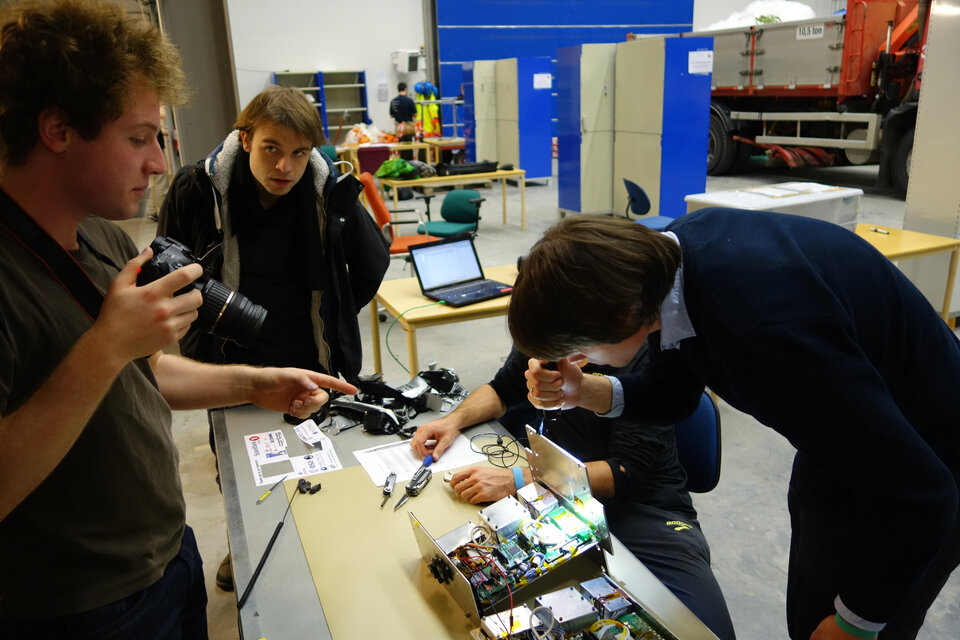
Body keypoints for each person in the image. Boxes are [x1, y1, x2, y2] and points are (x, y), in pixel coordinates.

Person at [0, 2, 356, 637]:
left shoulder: (104, 241)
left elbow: (147, 372)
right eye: (138, 138)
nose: (160, 162)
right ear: (57, 129)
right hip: (76, 608)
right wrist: (106, 345)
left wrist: (253, 383)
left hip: (167, 556)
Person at [507, 212, 960, 640]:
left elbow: (924, 496)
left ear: (625, 317)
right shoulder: (665, 266)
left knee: (857, 620)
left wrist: (856, 624)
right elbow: (673, 394)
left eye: (581, 351)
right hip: (842, 438)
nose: (580, 362)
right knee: (810, 615)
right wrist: (583, 391)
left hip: (926, 468)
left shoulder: (765, 334)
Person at [158, 85, 389, 590]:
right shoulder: (197, 187)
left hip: (312, 351)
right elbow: (165, 265)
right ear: (245, 139)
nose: (285, 165)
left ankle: (325, 546)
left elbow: (373, 260)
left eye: (299, 153)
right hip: (230, 357)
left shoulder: (327, 189)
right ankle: (249, 548)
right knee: (240, 468)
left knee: (322, 456)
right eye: (272, 149)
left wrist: (339, 315)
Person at [410, 346, 736, 639]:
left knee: (700, 629)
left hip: (646, 512)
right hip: (563, 499)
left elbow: (623, 473)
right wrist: (453, 421)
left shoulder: (646, 353)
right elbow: (501, 390)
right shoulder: (548, 331)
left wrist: (520, 478)